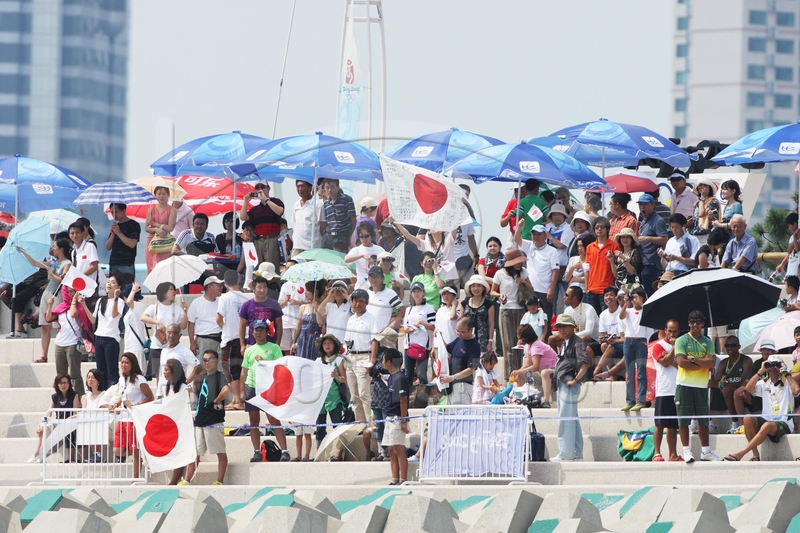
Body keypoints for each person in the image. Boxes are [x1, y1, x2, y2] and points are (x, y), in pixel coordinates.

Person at [724, 355, 800, 462]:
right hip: (767, 419)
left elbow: (796, 390)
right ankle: (755, 454)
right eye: (770, 365)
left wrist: (785, 372)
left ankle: (741, 453)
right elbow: (749, 388)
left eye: (777, 365)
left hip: (784, 422)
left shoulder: (788, 381)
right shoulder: (764, 382)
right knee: (747, 418)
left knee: (767, 425)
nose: (773, 367)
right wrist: (761, 370)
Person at [240, 318, 291, 462]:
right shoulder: (249, 350)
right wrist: (241, 391)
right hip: (252, 386)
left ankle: (284, 451)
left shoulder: (274, 348)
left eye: (261, 330)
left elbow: (281, 367)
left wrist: (265, 362)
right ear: (252, 332)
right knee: (253, 420)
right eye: (256, 330)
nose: (258, 333)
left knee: (273, 419)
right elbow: (244, 371)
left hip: (268, 387)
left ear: (267, 332)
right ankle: (257, 451)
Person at [674, 310, 722, 462]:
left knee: (703, 420)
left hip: (701, 386)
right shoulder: (681, 340)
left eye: (698, 322)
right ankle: (686, 451)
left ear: (702, 324)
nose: (695, 324)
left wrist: (693, 359)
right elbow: (681, 362)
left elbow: (712, 363)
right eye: (692, 322)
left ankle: (706, 451)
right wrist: (702, 363)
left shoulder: (707, 342)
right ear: (688, 323)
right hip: (684, 384)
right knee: (684, 420)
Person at [18, 237, 72, 362]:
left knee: (59, 325)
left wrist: (51, 273)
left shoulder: (67, 263)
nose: (53, 248)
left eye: (55, 246)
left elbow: (62, 280)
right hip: (46, 294)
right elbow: (35, 263)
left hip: (57, 295)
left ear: (61, 249)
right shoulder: (54, 261)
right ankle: (44, 355)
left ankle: (62, 354)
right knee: (44, 326)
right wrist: (24, 252)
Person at [181, 350, 230, 486]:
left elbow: (226, 390)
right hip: (200, 421)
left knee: (220, 452)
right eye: (204, 360)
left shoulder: (219, 376)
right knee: (195, 453)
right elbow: (200, 395)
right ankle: (186, 480)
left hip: (213, 420)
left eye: (210, 359)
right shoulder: (201, 378)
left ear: (217, 361)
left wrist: (216, 400)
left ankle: (219, 480)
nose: (207, 362)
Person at [550, 314, 590, 462]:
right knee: (572, 419)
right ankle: (577, 454)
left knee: (565, 419)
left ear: (572, 327)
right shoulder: (566, 342)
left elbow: (586, 362)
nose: (561, 329)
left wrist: (575, 380)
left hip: (568, 383)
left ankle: (566, 454)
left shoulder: (577, 342)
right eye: (559, 327)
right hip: (564, 382)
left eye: (565, 326)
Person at [111, 353, 154, 478]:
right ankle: (143, 453)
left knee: (135, 449)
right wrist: (117, 403)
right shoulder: (122, 379)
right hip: (123, 418)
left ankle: (135, 478)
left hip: (133, 419)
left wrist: (136, 405)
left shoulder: (139, 379)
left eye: (126, 362)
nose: (123, 365)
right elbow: (123, 394)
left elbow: (150, 396)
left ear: (132, 364)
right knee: (117, 450)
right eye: (122, 362)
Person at [491, 248, 531, 375]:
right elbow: (492, 291)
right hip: (505, 310)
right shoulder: (499, 274)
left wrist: (523, 281)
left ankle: (519, 373)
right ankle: (509, 376)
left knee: (519, 344)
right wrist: (500, 295)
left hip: (520, 310)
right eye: (517, 262)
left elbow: (532, 289)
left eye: (520, 261)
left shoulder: (523, 272)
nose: (520, 264)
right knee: (508, 345)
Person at [343, 289, 381, 423]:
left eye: (361, 301)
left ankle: (371, 425)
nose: (357, 304)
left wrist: (372, 360)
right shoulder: (351, 319)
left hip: (364, 356)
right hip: (351, 357)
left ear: (367, 302)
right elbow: (347, 340)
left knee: (364, 393)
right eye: (355, 301)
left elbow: (375, 340)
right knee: (354, 396)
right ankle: (360, 425)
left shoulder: (371, 318)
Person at [45, 286, 90, 395]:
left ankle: (78, 399)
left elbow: (73, 314)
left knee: (75, 374)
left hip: (73, 343)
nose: (69, 294)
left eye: (72, 291)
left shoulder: (79, 306)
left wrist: (74, 301)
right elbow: (48, 318)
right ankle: (62, 398)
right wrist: (50, 306)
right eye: (67, 291)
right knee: (60, 375)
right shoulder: (61, 306)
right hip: (60, 343)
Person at [28, 373, 82, 463]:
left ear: (69, 384)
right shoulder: (55, 397)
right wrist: (40, 424)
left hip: (70, 423)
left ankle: (39, 454)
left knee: (59, 428)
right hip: (58, 423)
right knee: (45, 426)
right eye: (60, 383)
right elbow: (48, 413)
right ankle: (39, 453)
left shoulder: (74, 395)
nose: (63, 385)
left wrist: (67, 420)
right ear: (57, 384)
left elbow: (75, 413)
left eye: (65, 382)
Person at [141, 282, 188, 382]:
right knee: (158, 373)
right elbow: (143, 317)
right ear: (163, 292)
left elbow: (183, 326)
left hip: (172, 346)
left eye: (174, 289)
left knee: (171, 372)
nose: (174, 292)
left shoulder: (177, 309)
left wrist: (185, 312)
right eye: (171, 289)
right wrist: (157, 322)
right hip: (157, 346)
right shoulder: (155, 307)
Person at [216, 270, 249, 410]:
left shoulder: (224, 298)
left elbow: (219, 318)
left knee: (230, 369)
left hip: (230, 338)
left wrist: (225, 328)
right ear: (238, 280)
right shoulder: (246, 298)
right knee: (240, 369)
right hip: (244, 338)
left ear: (225, 282)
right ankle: (237, 398)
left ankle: (238, 399)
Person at [514, 222, 560, 323]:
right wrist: (520, 227)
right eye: (534, 234)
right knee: (529, 321)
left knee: (544, 320)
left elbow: (556, 270)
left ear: (545, 236)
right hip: (529, 290)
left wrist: (551, 289)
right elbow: (517, 239)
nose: (536, 237)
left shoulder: (552, 251)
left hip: (544, 291)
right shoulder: (529, 246)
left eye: (539, 234)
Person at [619, 287, 654, 412]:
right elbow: (621, 316)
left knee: (641, 372)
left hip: (641, 342)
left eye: (637, 297)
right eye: (633, 297)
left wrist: (641, 303)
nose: (635, 300)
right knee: (629, 373)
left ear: (643, 298)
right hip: (628, 341)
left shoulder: (645, 310)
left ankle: (641, 400)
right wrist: (626, 303)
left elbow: (648, 316)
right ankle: (630, 400)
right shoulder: (628, 310)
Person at [651, 319, 681, 462]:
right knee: (660, 424)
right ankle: (657, 453)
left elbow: (682, 365)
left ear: (678, 332)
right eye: (670, 331)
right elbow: (664, 362)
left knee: (673, 426)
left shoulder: (682, 345)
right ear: (665, 330)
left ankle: (673, 454)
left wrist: (671, 359)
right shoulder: (658, 345)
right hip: (664, 389)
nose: (672, 334)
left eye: (675, 331)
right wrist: (674, 349)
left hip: (677, 389)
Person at [239, 182, 284, 273]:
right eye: (257, 187)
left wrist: (266, 200)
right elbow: (243, 217)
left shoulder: (276, 201)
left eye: (262, 187)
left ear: (268, 188)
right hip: (258, 241)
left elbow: (280, 211)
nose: (260, 189)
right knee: (258, 271)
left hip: (271, 239)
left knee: (272, 270)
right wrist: (245, 202)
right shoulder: (256, 209)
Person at [712, 335, 752, 435]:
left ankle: (736, 423)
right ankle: (706, 423)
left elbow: (742, 381)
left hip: (743, 392)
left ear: (739, 346)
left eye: (733, 345)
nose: (729, 348)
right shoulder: (724, 362)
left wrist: (724, 384)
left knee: (729, 390)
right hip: (726, 393)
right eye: (727, 345)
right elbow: (715, 381)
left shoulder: (746, 360)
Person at [314, 334, 347, 452]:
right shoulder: (318, 361)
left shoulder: (339, 360)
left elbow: (344, 379)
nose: (327, 345)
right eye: (325, 343)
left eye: (330, 343)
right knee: (320, 427)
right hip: (320, 398)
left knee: (337, 425)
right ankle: (319, 452)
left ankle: (339, 453)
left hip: (334, 398)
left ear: (335, 345)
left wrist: (337, 376)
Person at [381, 348, 410, 485]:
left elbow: (403, 400)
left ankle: (403, 479)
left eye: (383, 359)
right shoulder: (392, 377)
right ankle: (394, 479)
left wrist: (403, 421)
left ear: (388, 362)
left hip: (397, 418)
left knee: (399, 448)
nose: (382, 362)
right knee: (391, 449)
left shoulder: (400, 377)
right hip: (389, 417)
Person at [511, 323, 558, 407]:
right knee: (520, 374)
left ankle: (546, 402)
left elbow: (535, 366)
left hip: (553, 372)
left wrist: (519, 372)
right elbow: (527, 364)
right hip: (541, 371)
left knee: (543, 372)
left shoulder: (536, 346)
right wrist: (517, 372)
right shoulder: (530, 346)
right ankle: (521, 399)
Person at [90, 274, 123, 385]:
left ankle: (112, 391)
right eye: (108, 282)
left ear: (118, 287)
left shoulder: (120, 302)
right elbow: (93, 320)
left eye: (113, 282)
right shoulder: (100, 301)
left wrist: (116, 298)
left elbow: (114, 315)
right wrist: (83, 305)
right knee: (100, 370)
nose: (109, 284)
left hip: (111, 338)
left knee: (112, 370)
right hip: (99, 337)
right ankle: (102, 391)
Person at [440, 317, 481, 405]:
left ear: (471, 330)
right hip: (451, 385)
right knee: (450, 412)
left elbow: (472, 369)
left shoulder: (475, 346)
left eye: (462, 332)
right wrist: (440, 338)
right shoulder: (459, 339)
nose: (459, 334)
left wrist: (453, 377)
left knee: (460, 412)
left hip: (463, 386)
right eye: (457, 331)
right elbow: (447, 349)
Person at [403, 282, 436, 385]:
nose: (416, 294)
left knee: (422, 375)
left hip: (423, 345)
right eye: (414, 291)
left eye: (419, 291)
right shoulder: (408, 309)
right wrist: (407, 329)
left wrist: (421, 323)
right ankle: (408, 394)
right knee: (408, 374)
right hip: (409, 345)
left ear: (423, 292)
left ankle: (423, 395)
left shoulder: (429, 308)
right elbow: (404, 327)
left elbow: (433, 326)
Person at [239, 273, 283, 348]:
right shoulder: (246, 305)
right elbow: (242, 326)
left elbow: (279, 325)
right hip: (252, 344)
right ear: (253, 288)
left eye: (265, 287)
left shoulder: (275, 304)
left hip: (271, 344)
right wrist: (242, 345)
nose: (262, 290)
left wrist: (278, 343)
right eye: (259, 287)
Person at [637, 193, 669, 297]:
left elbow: (664, 239)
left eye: (645, 204)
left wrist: (648, 238)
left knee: (653, 295)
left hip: (653, 265)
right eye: (640, 204)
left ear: (652, 205)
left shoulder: (657, 220)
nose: (642, 207)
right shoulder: (644, 220)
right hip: (644, 264)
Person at [584, 216, 618, 314]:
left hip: (607, 290)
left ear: (607, 229)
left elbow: (617, 269)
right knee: (593, 319)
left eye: (602, 227)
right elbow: (587, 268)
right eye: (597, 227)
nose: (599, 229)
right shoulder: (590, 247)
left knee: (607, 317)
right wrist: (586, 287)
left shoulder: (614, 246)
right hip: (591, 289)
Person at [158, 324, 202, 399]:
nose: (171, 335)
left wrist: (186, 382)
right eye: (169, 332)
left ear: (180, 335)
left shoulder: (185, 351)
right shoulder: (163, 351)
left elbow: (198, 367)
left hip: (177, 391)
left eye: (174, 333)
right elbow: (161, 371)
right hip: (163, 391)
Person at [187, 276, 224, 364]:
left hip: (220, 340)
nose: (221, 288)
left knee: (220, 368)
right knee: (202, 367)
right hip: (203, 341)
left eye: (221, 285)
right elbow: (191, 324)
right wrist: (192, 343)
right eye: (218, 285)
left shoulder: (222, 302)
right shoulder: (196, 303)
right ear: (210, 286)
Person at [546, 203, 574, 314]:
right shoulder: (547, 227)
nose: (556, 217)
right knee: (550, 297)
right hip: (549, 268)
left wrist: (550, 237)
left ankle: (567, 318)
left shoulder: (568, 228)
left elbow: (562, 245)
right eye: (554, 214)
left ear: (564, 216)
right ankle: (551, 319)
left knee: (565, 297)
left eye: (559, 214)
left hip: (562, 267)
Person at [593, 287, 625, 380]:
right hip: (611, 341)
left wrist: (614, 340)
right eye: (606, 295)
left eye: (611, 295)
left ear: (616, 298)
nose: (608, 297)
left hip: (621, 342)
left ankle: (596, 373)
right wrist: (602, 338)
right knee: (603, 345)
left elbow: (623, 337)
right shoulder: (603, 314)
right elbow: (603, 334)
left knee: (609, 346)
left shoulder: (622, 312)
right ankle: (612, 375)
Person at [144, 186, 177, 272]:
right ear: (155, 195)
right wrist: (156, 230)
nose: (161, 196)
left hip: (165, 242)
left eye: (164, 194)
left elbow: (170, 228)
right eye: (159, 194)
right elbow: (147, 228)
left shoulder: (172, 210)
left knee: (165, 269)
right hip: (152, 243)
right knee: (152, 269)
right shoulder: (151, 209)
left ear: (168, 195)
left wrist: (155, 224)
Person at [453, 184, 479, 289]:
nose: (464, 197)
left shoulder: (467, 215)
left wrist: (476, 255)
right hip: (449, 262)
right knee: (452, 292)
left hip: (465, 260)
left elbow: (471, 237)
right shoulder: (446, 213)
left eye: (466, 195)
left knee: (471, 289)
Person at [292, 280, 325, 359]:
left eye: (307, 290)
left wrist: (317, 308)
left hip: (315, 339)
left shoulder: (323, 307)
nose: (305, 293)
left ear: (315, 292)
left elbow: (322, 324)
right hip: (303, 338)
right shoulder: (303, 307)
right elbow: (298, 326)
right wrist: (294, 341)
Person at [462, 275, 495, 355]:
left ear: (483, 287)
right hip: (467, 339)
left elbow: (491, 324)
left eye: (479, 286)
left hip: (483, 341)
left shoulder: (489, 304)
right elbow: (461, 322)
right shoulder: (464, 303)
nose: (476, 289)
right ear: (470, 288)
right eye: (473, 286)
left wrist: (490, 341)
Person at [321, 179, 357, 249]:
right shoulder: (326, 203)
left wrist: (349, 236)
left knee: (340, 256)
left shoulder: (347, 199)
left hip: (341, 236)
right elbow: (325, 223)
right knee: (324, 256)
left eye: (332, 187)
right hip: (328, 236)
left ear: (338, 187)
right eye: (327, 187)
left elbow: (353, 220)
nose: (330, 190)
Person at [106, 203, 140, 277]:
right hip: (114, 262)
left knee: (126, 284)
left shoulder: (134, 225)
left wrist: (118, 233)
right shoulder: (116, 226)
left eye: (116, 212)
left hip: (126, 264)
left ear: (124, 211)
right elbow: (108, 247)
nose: (114, 215)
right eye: (112, 212)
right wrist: (113, 234)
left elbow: (132, 244)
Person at [345, 222, 385, 286]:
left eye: (366, 236)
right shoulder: (356, 250)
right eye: (361, 236)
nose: (364, 239)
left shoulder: (380, 249)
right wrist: (361, 256)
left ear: (371, 235)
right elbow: (346, 260)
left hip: (377, 283)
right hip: (362, 283)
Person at [366, 265, 404, 330]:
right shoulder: (367, 293)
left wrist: (391, 326)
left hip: (382, 333)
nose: (373, 279)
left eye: (376, 276)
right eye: (371, 277)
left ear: (382, 278)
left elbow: (402, 309)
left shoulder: (390, 293)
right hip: (366, 332)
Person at [121, 283, 147, 374]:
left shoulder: (139, 306)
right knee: (128, 374)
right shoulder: (130, 310)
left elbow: (129, 302)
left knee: (137, 374)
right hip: (129, 346)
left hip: (136, 346)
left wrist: (133, 290)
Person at [316, 279, 352, 344]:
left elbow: (355, 308)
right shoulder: (329, 305)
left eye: (341, 290)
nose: (338, 292)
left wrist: (346, 296)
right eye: (336, 290)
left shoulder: (349, 305)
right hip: (331, 341)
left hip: (343, 341)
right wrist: (329, 295)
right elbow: (320, 310)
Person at [688, 176, 718, 241]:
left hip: (706, 235)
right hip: (694, 235)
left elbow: (701, 214)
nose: (702, 187)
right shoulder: (696, 203)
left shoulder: (713, 202)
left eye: (705, 185)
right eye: (700, 185)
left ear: (709, 188)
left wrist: (702, 197)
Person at [776, 212, 800, 278]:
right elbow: (789, 251)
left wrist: (795, 237)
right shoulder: (792, 237)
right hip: (790, 268)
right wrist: (782, 264)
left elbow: (797, 248)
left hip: (797, 268)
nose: (789, 228)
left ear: (795, 224)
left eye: (789, 226)